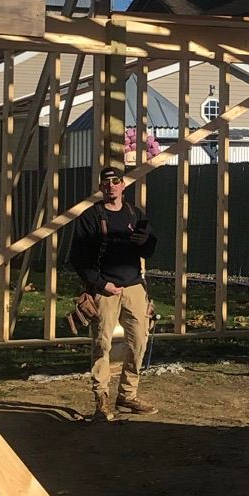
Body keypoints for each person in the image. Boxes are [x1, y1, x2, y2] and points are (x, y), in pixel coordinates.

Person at [68, 165, 157, 419]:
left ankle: (128, 395)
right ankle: (101, 398)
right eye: (106, 183)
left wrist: (145, 242)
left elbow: (148, 249)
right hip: (105, 290)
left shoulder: (134, 214)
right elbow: (78, 258)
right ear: (101, 187)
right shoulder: (90, 218)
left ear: (123, 186)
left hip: (134, 287)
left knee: (139, 341)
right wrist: (99, 284)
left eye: (115, 182)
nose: (111, 186)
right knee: (102, 344)